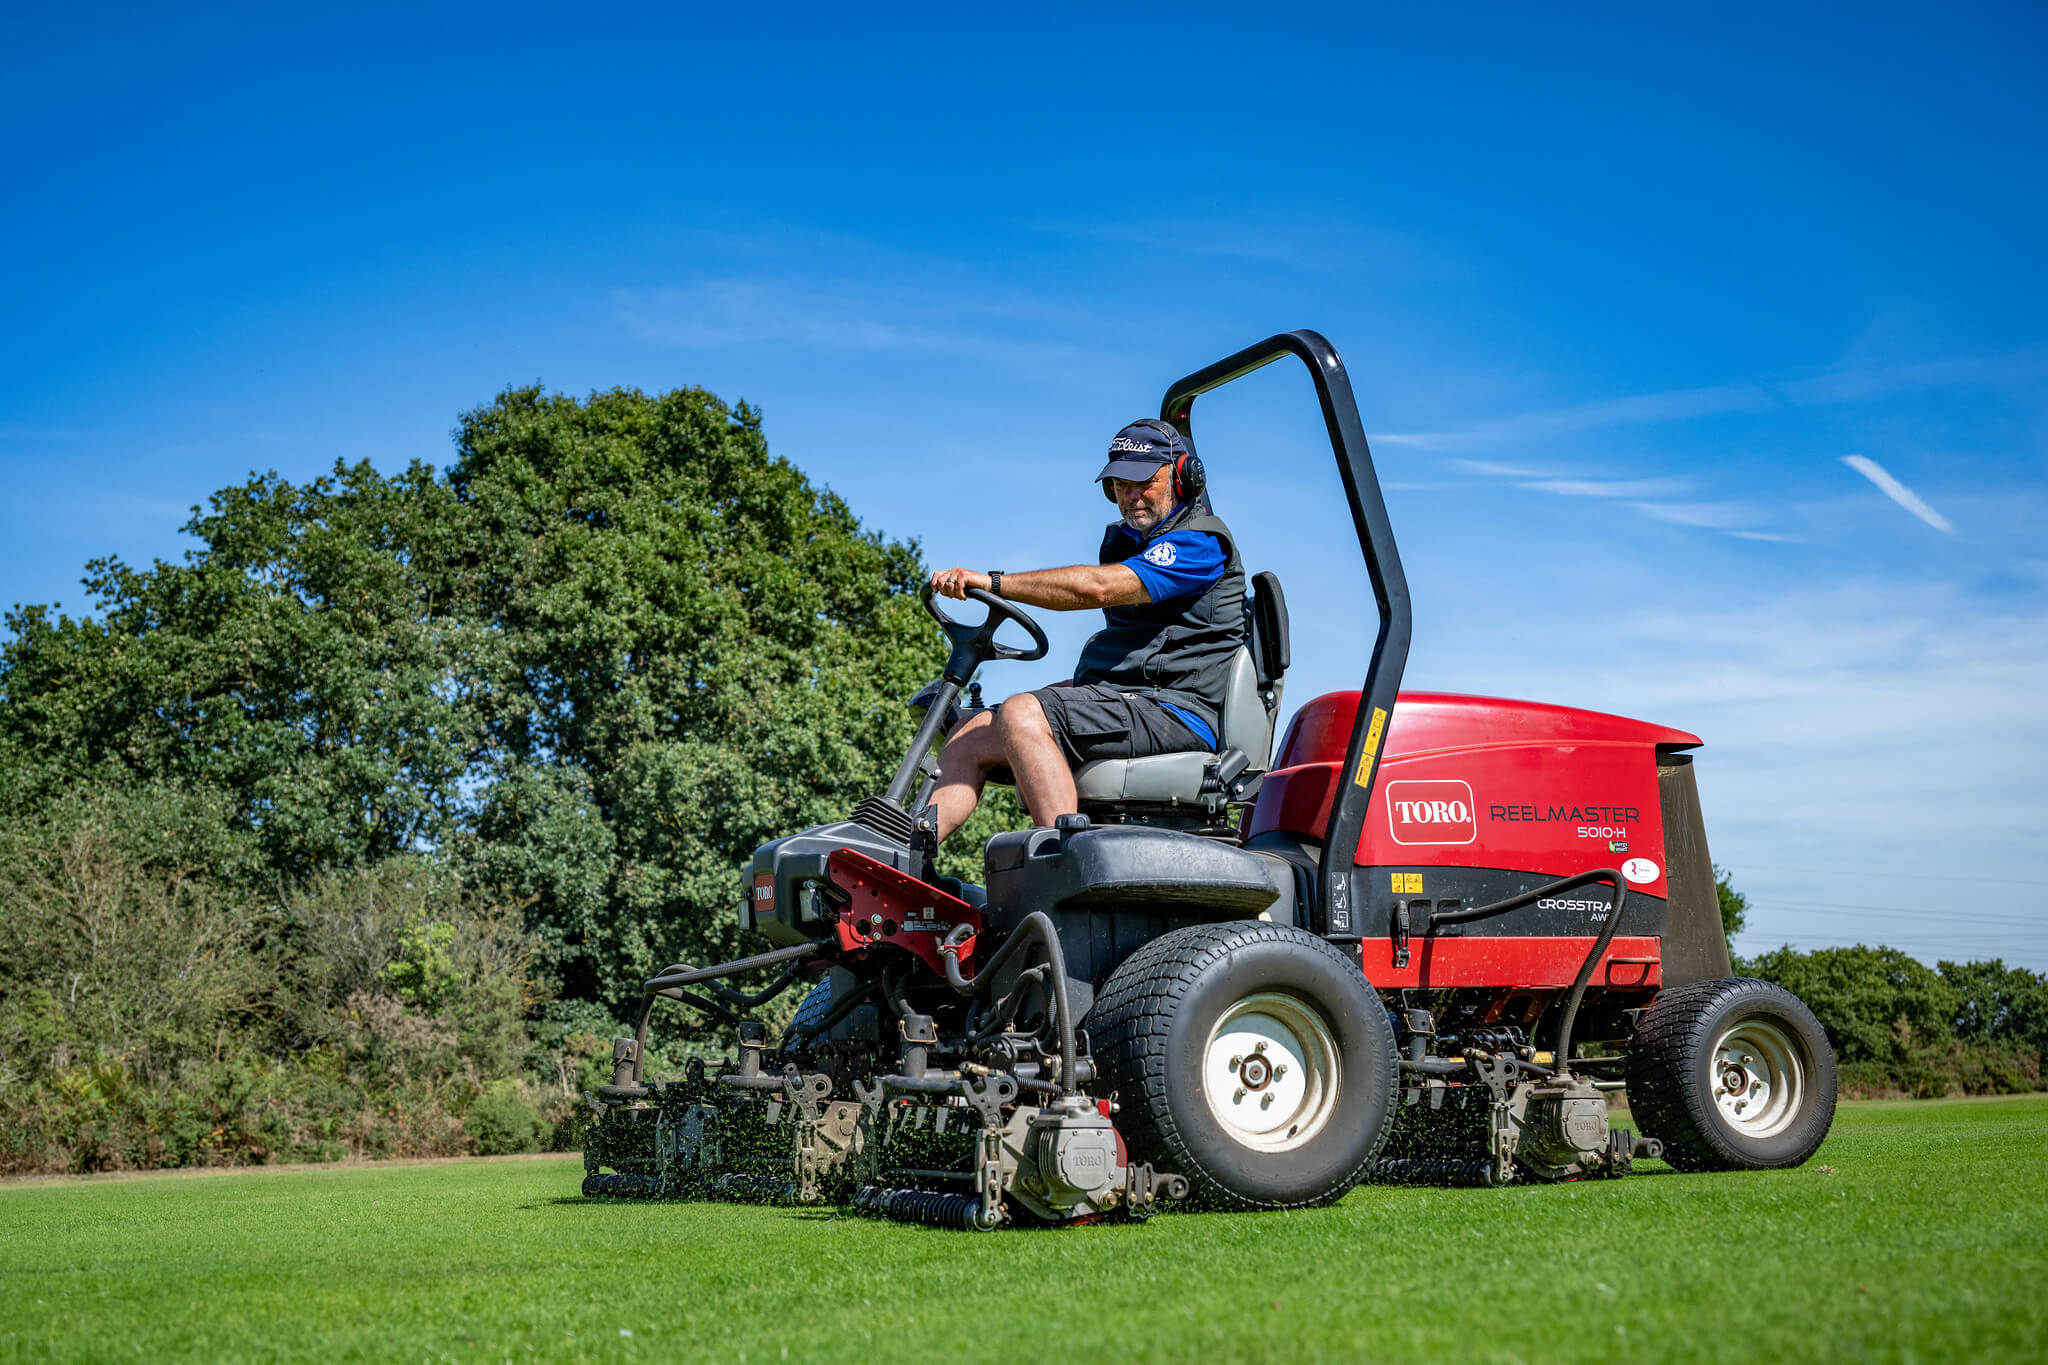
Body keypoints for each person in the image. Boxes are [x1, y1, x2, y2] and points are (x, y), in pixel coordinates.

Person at [927, 418, 1245, 840]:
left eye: (1142, 482)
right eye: (1118, 486)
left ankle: (1061, 860)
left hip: (1179, 710)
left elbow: (1096, 588)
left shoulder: (1199, 545)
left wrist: (992, 582)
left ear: (1184, 476)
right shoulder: (1136, 542)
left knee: (1024, 712)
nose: (1129, 497)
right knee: (970, 735)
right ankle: (904, 863)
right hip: (1131, 698)